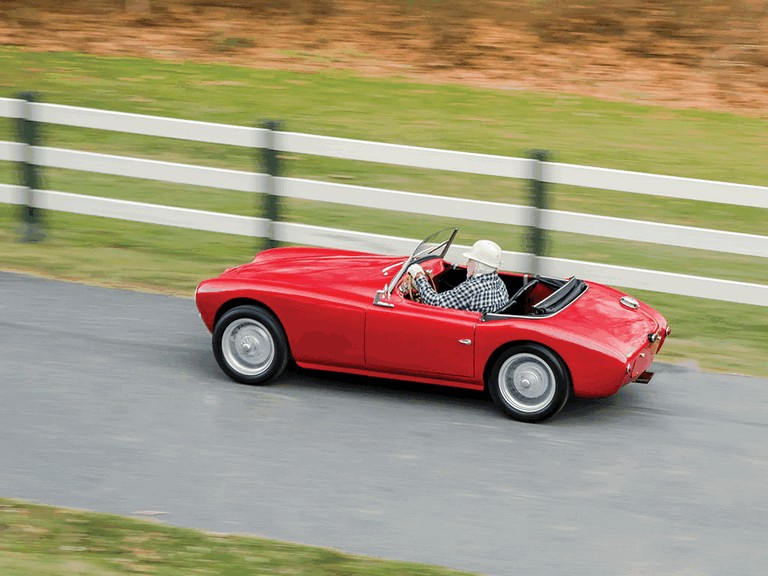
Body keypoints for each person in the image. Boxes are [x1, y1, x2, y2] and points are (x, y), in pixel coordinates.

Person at [406, 239, 509, 314]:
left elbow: (434, 302)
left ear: (478, 266)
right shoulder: (499, 283)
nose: (467, 263)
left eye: (471, 261)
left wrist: (419, 277)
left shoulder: (472, 288)